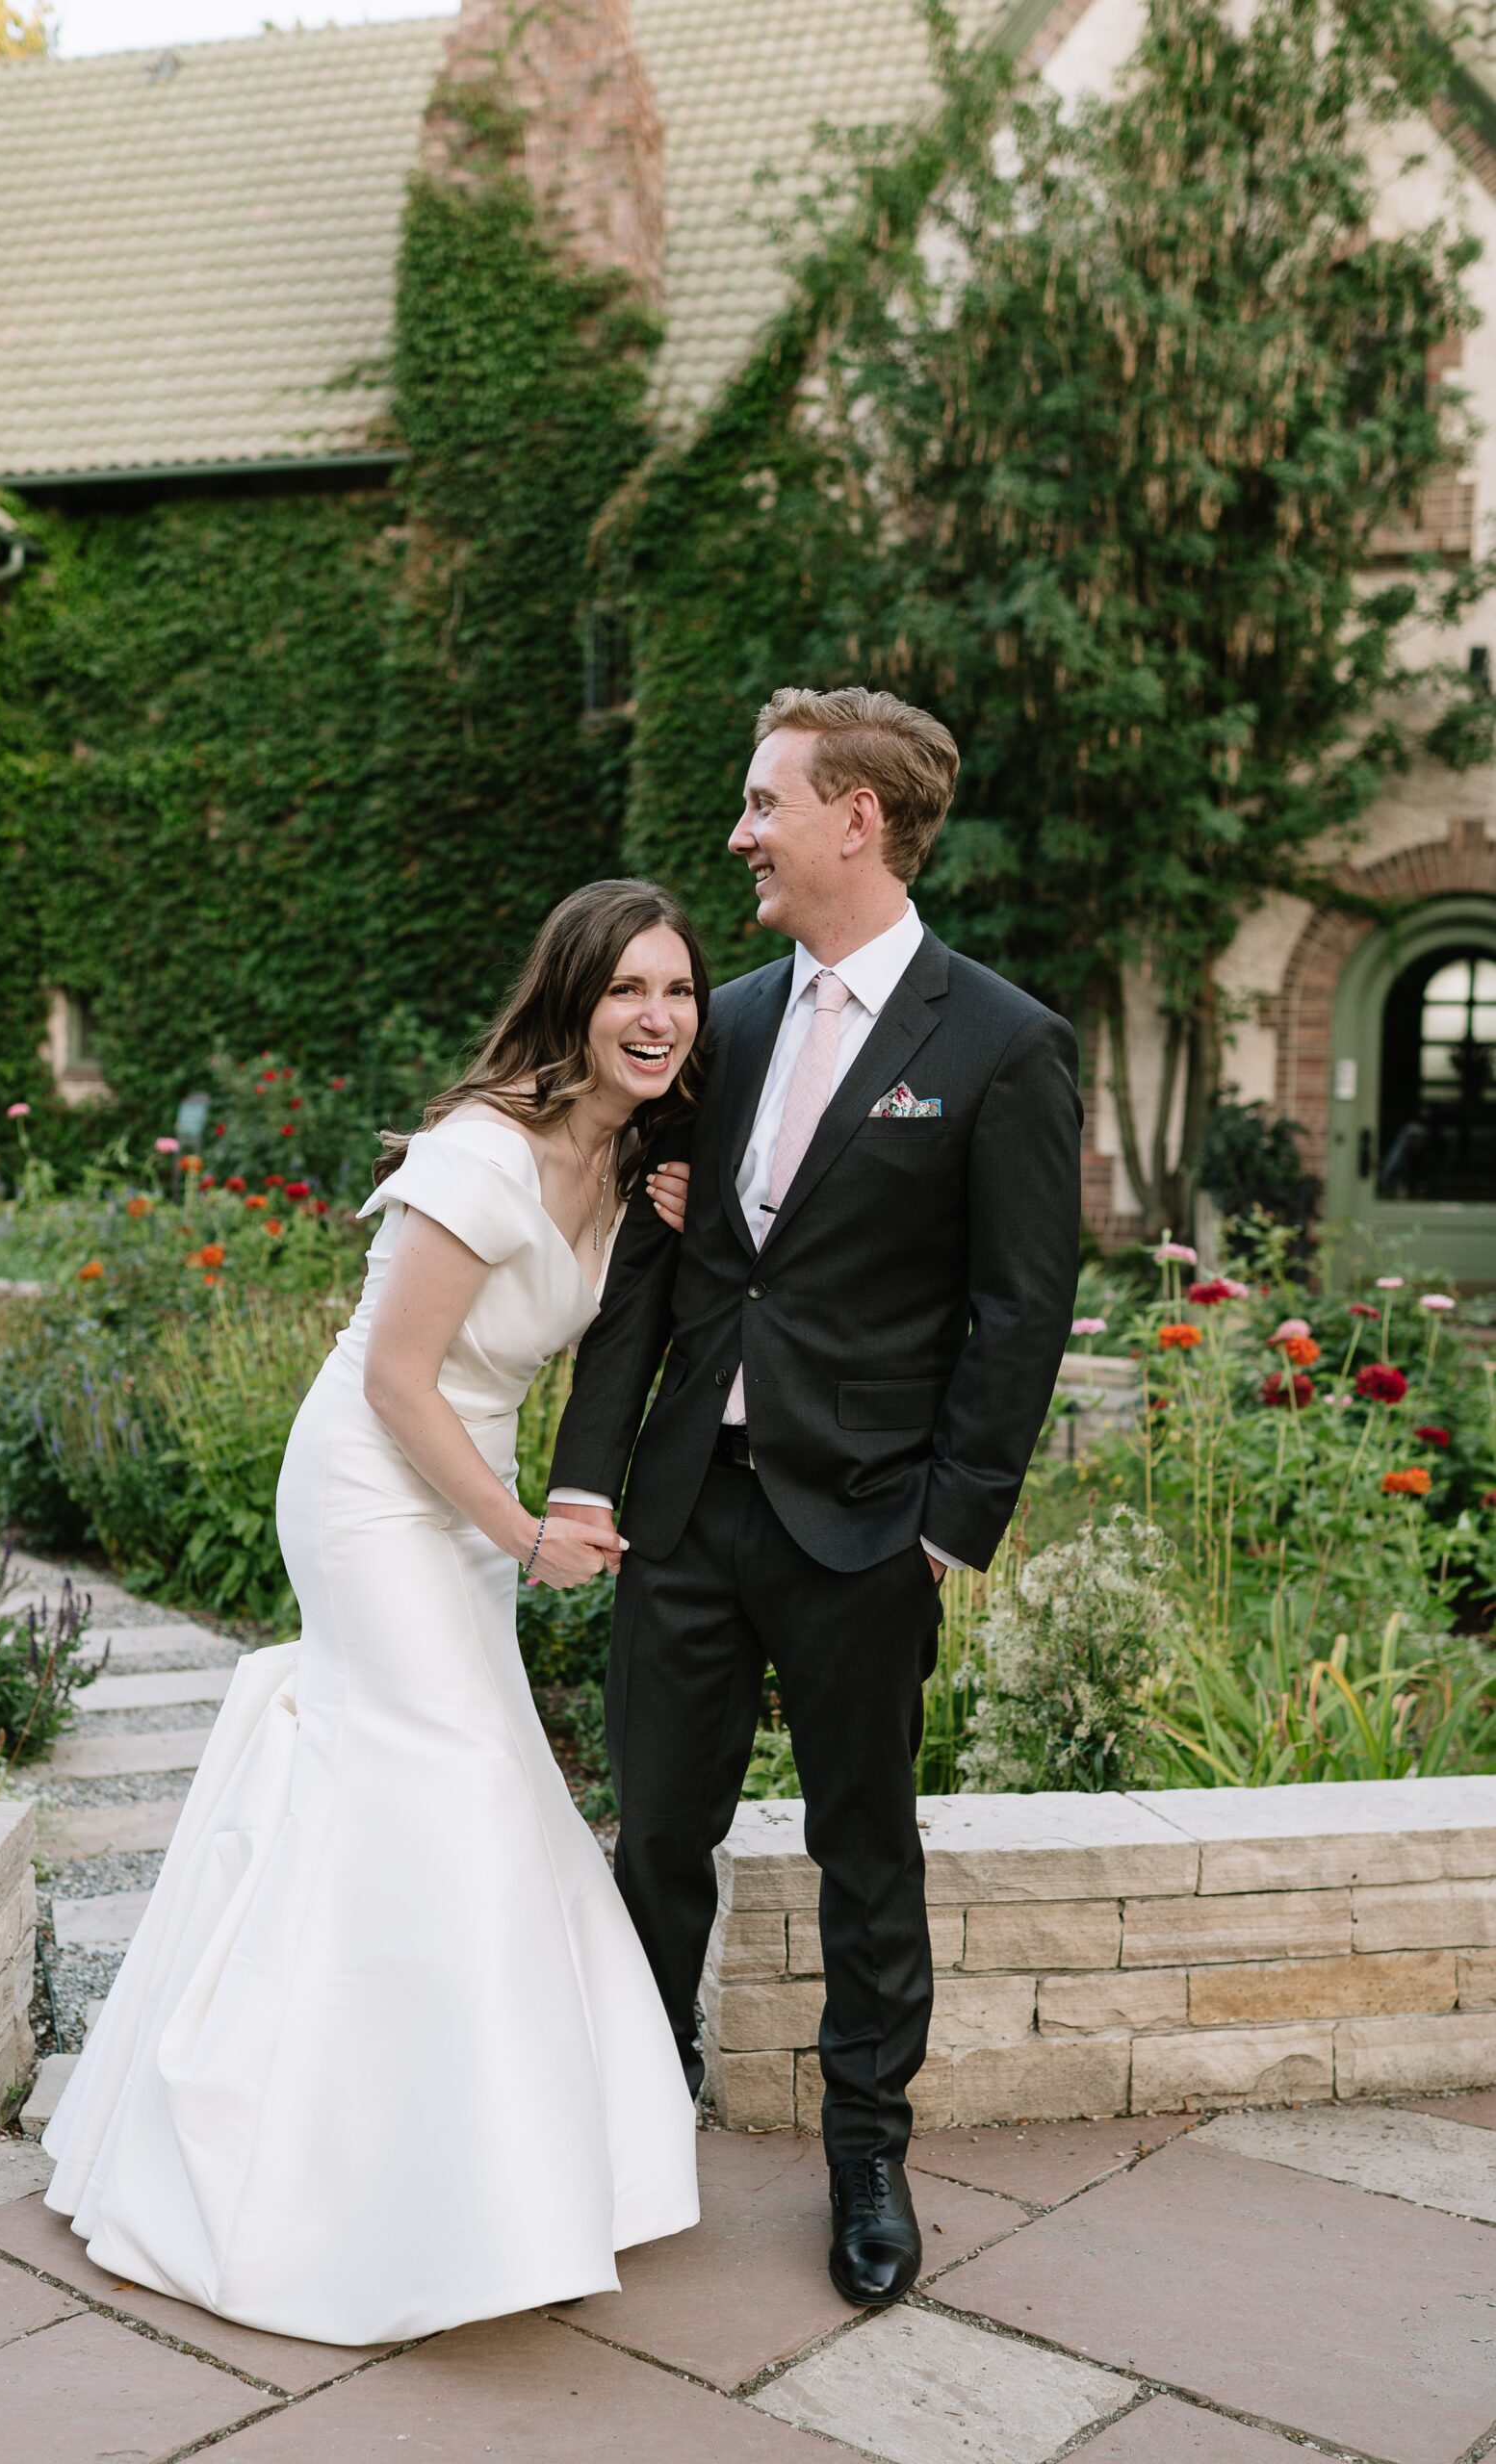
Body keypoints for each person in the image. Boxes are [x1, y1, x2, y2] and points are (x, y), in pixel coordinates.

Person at [42, 881, 705, 2347]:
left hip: (461, 1493)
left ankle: (483, 2164)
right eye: (627, 991)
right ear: (574, 1001)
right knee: (458, 1778)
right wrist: (526, 1534)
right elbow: (398, 1381)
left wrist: (671, 1209)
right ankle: (356, 2196)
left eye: (678, 991)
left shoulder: (633, 1161)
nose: (657, 1017)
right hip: (372, 1486)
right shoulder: (483, 1157)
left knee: (451, 1787)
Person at [549, 686, 1082, 2311]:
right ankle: (639, 2141)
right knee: (656, 1836)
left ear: (858, 816)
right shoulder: (731, 1025)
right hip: (684, 1508)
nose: (741, 834)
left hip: (863, 1524)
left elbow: (1022, 1305)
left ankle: (867, 2154)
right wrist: (584, 1477)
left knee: (868, 1846)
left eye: (765, 800)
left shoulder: (1003, 1042)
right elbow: (657, 1264)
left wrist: (949, 1521)